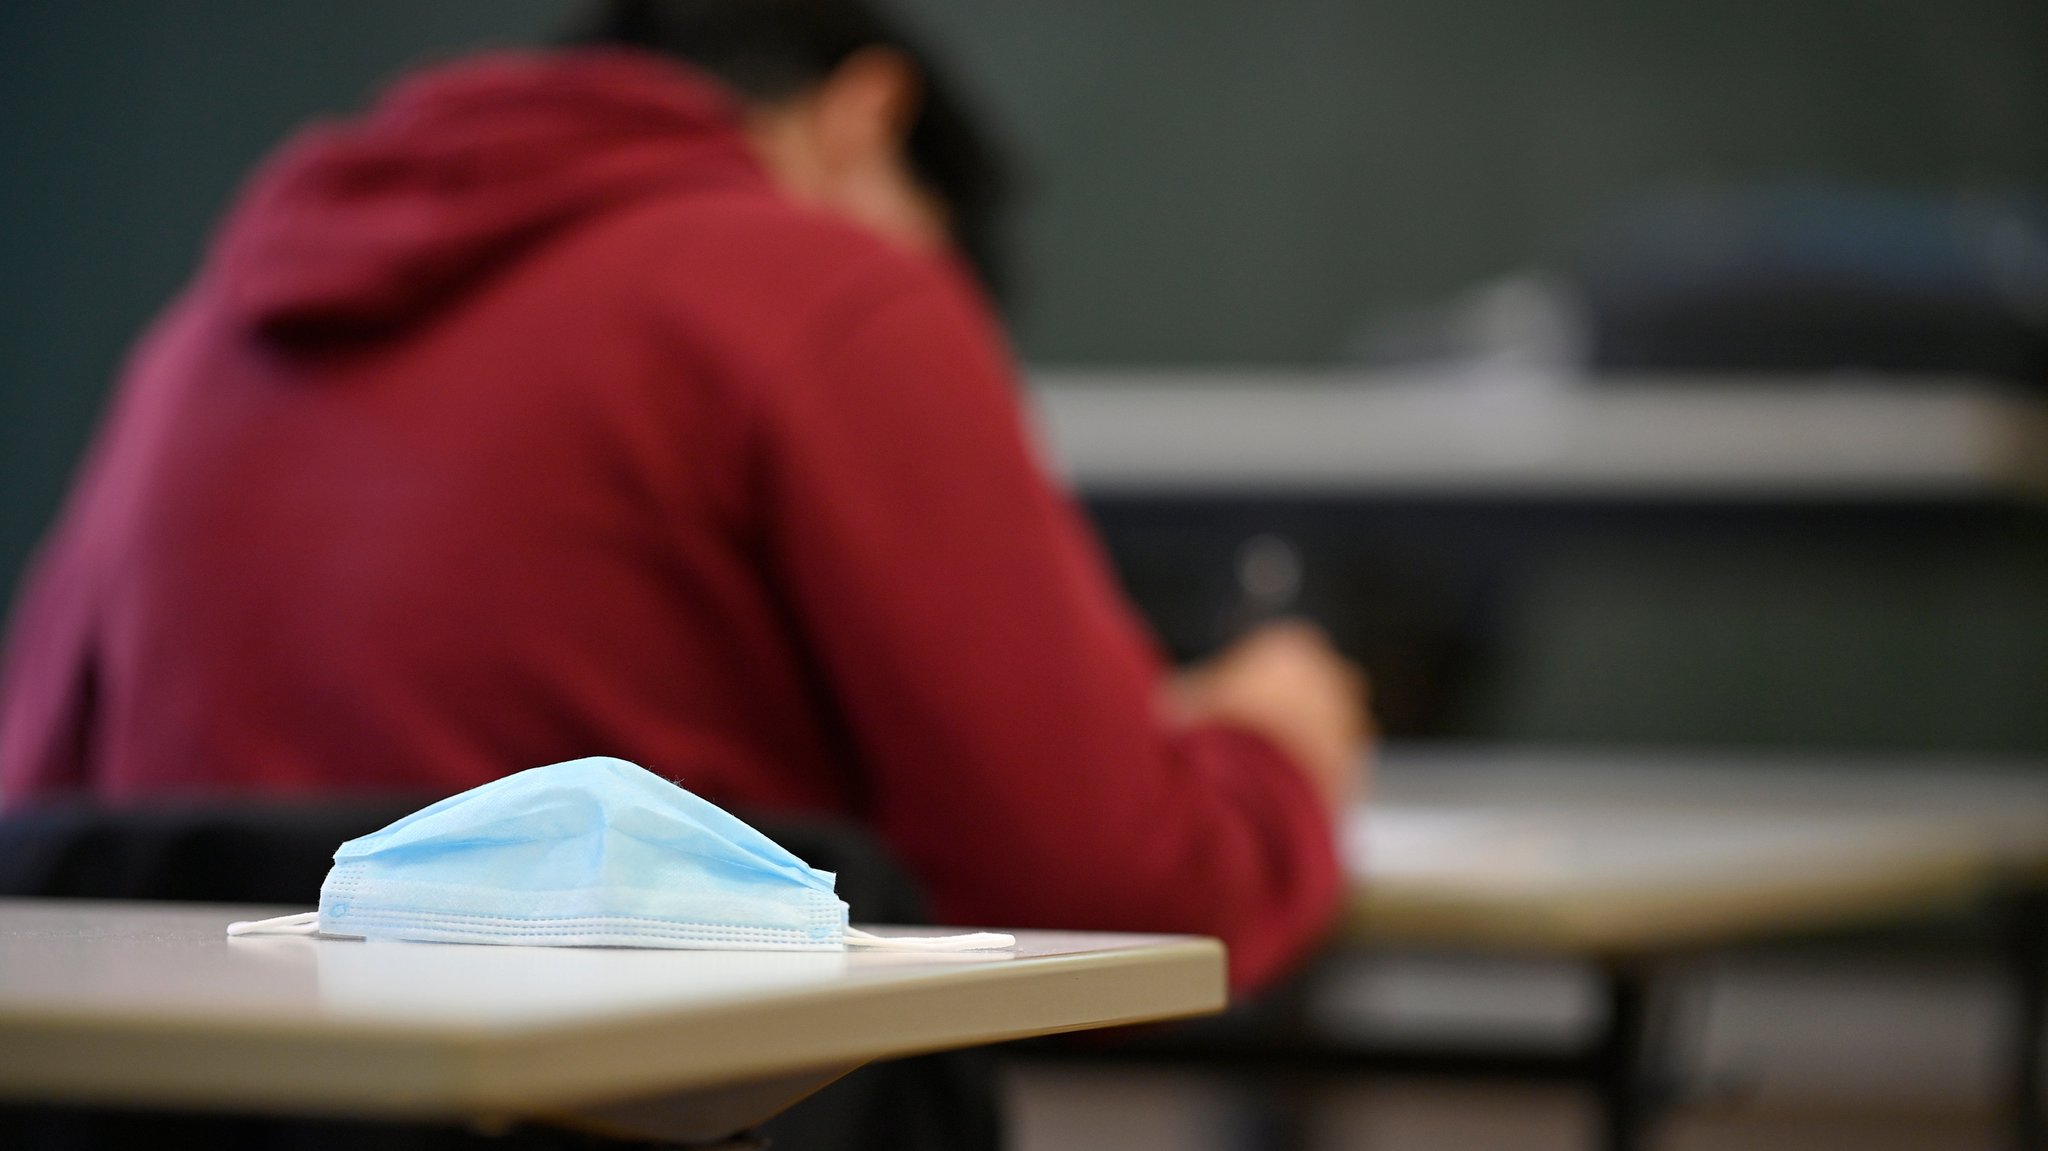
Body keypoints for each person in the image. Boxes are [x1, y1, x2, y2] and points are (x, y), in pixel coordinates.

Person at [0, 0, 1370, 993]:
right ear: (863, 118)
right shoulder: (834, 290)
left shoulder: (214, 326)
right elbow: (1118, 893)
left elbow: (35, 806)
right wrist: (1274, 757)